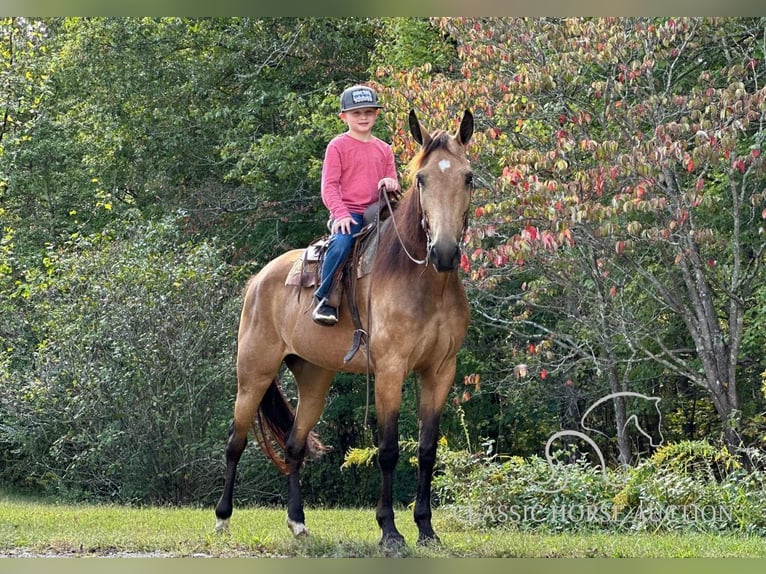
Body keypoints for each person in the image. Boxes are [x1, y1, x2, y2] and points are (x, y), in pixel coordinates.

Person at [312, 84, 400, 326]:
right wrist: (340, 214)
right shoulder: (338, 146)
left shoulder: (384, 149)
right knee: (341, 244)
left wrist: (391, 182)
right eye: (356, 113)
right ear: (344, 117)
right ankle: (325, 298)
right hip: (348, 213)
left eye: (368, 112)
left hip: (379, 212)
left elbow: (393, 180)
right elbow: (329, 186)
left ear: (376, 115)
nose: (363, 117)